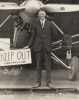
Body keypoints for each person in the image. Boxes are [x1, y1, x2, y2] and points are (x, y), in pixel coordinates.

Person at [26, 9, 57, 88]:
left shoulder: (50, 24)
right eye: (40, 14)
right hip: (38, 47)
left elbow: (55, 35)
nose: (41, 15)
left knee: (48, 66)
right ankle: (38, 83)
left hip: (47, 48)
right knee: (38, 66)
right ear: (38, 16)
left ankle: (49, 83)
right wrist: (28, 45)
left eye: (43, 14)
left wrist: (49, 42)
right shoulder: (35, 24)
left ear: (45, 15)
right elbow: (33, 36)